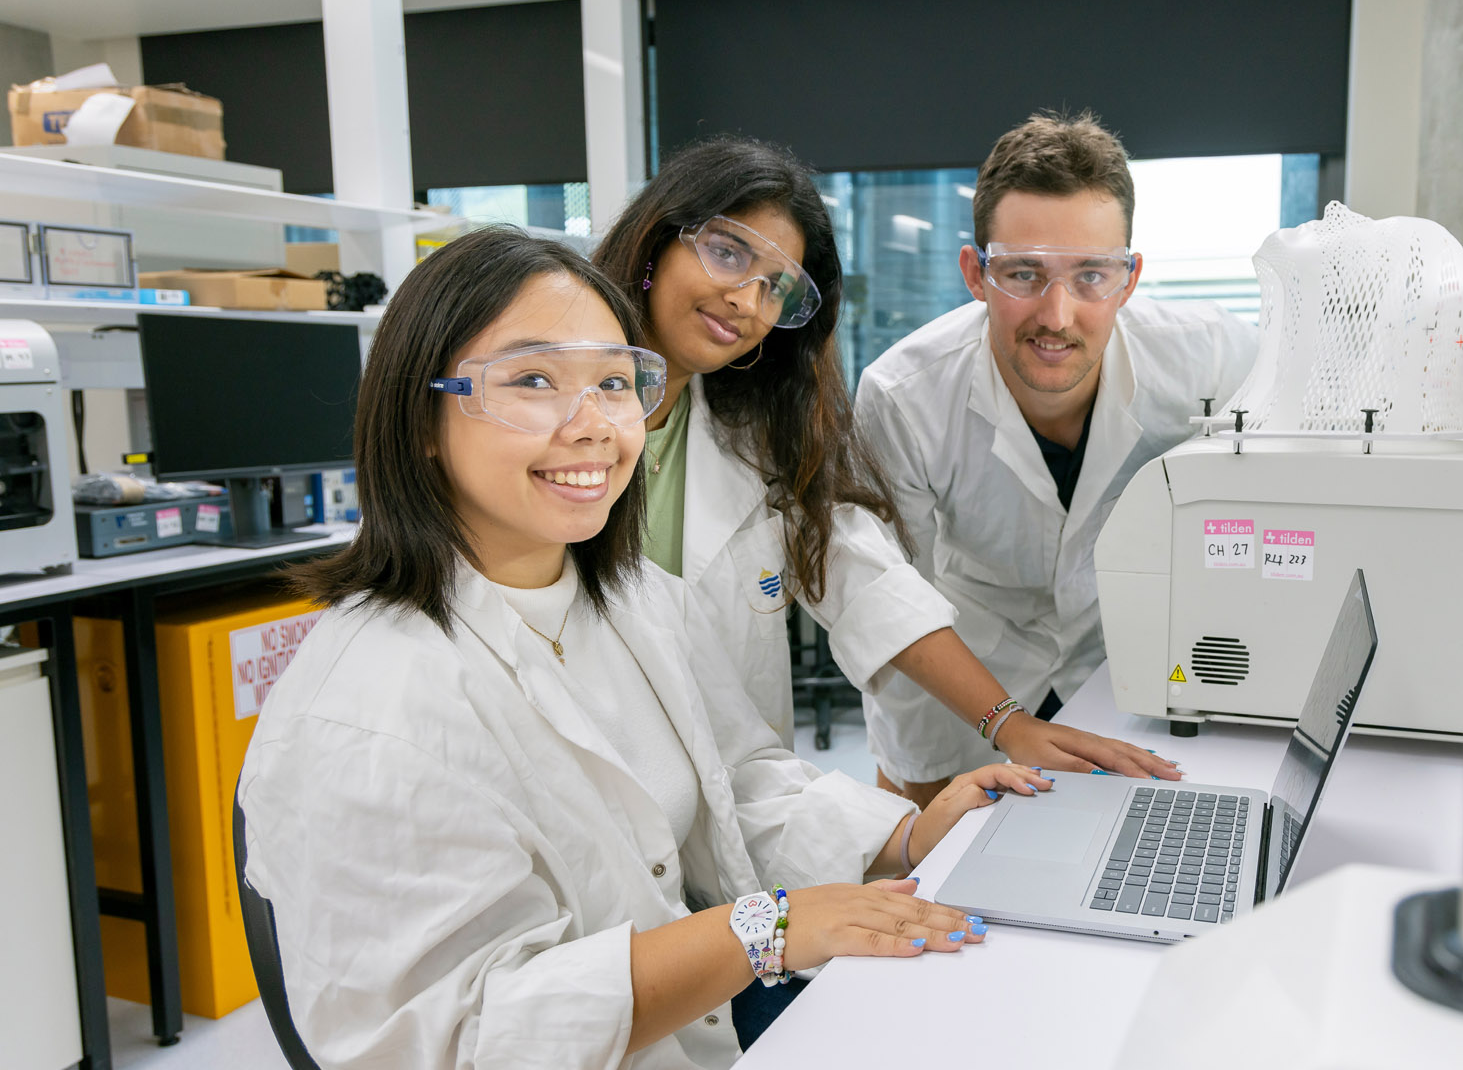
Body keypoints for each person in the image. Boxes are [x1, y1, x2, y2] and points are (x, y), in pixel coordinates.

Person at [236, 226, 1050, 1069]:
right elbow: (456, 1039)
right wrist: (760, 930)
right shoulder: (367, 714)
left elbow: (736, 782)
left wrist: (913, 837)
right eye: (533, 379)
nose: (592, 426)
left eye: (615, 382)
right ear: (422, 421)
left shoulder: (634, 600)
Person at [592, 138, 1180, 808]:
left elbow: (865, 577)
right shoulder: (558, 429)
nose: (745, 301)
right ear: (656, 237)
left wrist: (1006, 726)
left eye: (777, 285)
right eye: (727, 253)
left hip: (732, 798)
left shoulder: (754, 433)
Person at [853, 111, 1261, 804]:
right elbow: (887, 592)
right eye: (1023, 273)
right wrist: (1004, 720)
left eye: (1092, 276)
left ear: (1129, 279)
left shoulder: (1211, 356)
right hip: (962, 674)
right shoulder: (903, 395)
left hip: (1122, 664)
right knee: (935, 883)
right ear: (975, 275)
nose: (1058, 315)